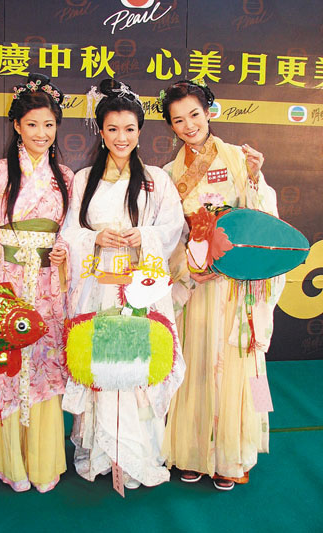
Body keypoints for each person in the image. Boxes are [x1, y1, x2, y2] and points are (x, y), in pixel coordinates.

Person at [160, 79, 285, 490]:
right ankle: (191, 452)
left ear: (209, 112)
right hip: (197, 284)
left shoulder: (238, 157)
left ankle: (233, 455)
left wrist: (254, 178)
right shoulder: (169, 174)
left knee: (235, 366)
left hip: (235, 284)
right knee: (194, 366)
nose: (189, 125)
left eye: (194, 114)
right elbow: (170, 235)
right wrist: (188, 268)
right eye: (178, 120)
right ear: (170, 126)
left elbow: (263, 219)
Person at [61, 79, 185, 489]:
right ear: (101, 131)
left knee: (138, 365)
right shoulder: (84, 179)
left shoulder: (155, 180)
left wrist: (143, 235)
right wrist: (95, 237)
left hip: (141, 285)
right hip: (97, 285)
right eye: (113, 129)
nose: (121, 137)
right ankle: (101, 453)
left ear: (140, 131)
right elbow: (69, 231)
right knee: (101, 363)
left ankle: (138, 454)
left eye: (129, 129)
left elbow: (172, 228)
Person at [0, 73, 73, 492]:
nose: (41, 133)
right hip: (6, 281)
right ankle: (8, 462)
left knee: (42, 361)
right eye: (32, 124)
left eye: (49, 124)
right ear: (17, 126)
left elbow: (71, 232)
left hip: (46, 287)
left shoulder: (65, 176)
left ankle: (42, 461)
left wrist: (62, 251)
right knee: (6, 362)